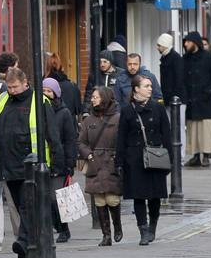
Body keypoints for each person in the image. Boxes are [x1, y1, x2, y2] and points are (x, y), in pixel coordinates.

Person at [0, 67, 62, 258]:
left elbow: (52, 134)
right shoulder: (3, 99)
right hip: (8, 164)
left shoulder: (40, 101)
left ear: (25, 83)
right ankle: (31, 245)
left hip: (31, 165)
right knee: (20, 205)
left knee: (27, 205)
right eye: (9, 87)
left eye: (15, 87)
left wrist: (57, 162)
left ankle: (24, 242)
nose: (12, 91)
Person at [116, 75, 172, 245]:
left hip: (155, 157)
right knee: (139, 196)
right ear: (136, 89)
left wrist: (170, 160)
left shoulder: (158, 108)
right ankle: (143, 230)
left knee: (155, 197)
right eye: (146, 86)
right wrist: (119, 162)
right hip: (134, 158)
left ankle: (153, 225)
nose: (150, 88)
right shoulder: (127, 110)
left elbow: (167, 135)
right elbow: (121, 138)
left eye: (150, 86)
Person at [77, 87, 122, 246]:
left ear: (104, 98)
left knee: (112, 199)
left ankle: (117, 227)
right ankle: (106, 236)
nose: (92, 99)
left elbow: (123, 138)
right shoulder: (88, 121)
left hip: (111, 162)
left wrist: (119, 155)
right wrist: (88, 154)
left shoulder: (117, 118)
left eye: (96, 97)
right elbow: (81, 142)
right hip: (94, 163)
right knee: (99, 200)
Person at [43, 77, 76, 243]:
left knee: (57, 199)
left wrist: (70, 163)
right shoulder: (40, 111)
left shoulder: (64, 113)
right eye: (44, 91)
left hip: (60, 161)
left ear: (56, 94)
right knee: (47, 199)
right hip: (45, 161)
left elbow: (70, 139)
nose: (46, 94)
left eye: (49, 91)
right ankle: (56, 226)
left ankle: (64, 229)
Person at [182, 31, 211, 167]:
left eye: (188, 42)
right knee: (193, 129)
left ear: (195, 43)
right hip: (191, 100)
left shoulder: (209, 58)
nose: (185, 44)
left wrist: (208, 92)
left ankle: (206, 156)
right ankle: (196, 155)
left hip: (206, 100)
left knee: (206, 129)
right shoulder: (185, 59)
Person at [157, 32, 186, 157]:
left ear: (165, 45)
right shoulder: (166, 58)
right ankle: (173, 154)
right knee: (171, 127)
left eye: (159, 45)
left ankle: (180, 155)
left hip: (176, 100)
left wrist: (173, 97)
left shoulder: (175, 58)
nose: (157, 47)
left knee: (178, 127)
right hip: (169, 99)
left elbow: (179, 80)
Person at [44, 52, 82, 122]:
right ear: (62, 67)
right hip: (69, 127)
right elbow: (79, 109)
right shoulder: (72, 86)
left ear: (46, 67)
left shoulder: (42, 87)